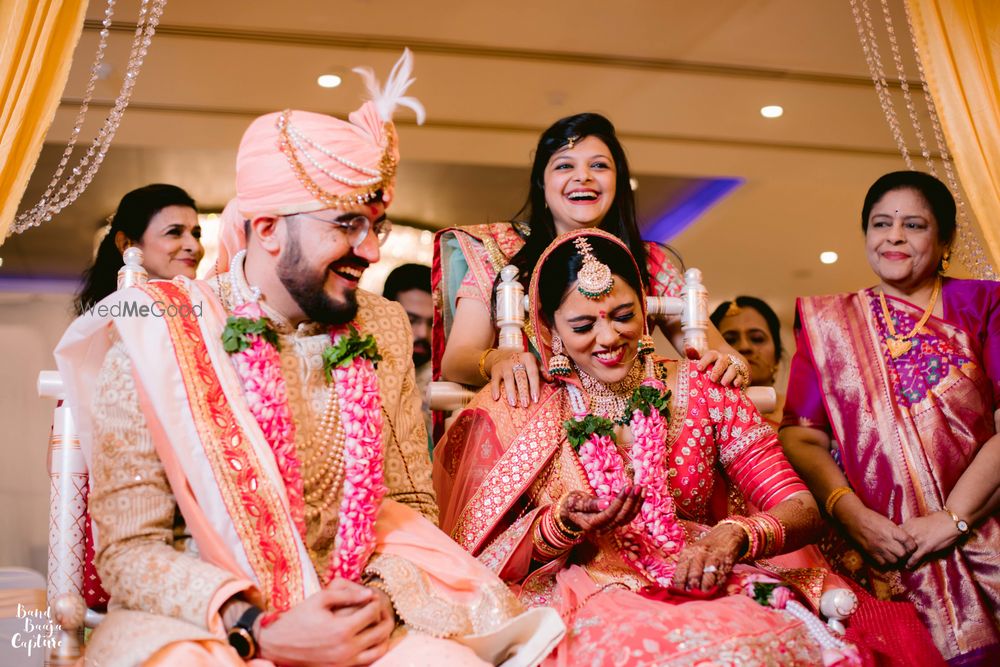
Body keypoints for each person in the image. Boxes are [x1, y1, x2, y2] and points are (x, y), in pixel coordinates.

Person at [54, 51, 561, 666]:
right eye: (347, 224)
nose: (370, 250)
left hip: (352, 604)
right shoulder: (161, 329)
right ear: (268, 228)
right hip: (209, 621)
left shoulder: (381, 325)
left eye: (377, 224)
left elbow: (410, 503)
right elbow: (130, 551)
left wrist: (380, 595)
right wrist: (258, 627)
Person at [434, 229, 864, 666]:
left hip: (707, 576)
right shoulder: (526, 406)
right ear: (550, 328)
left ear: (645, 307)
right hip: (585, 592)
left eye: (623, 315)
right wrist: (561, 524)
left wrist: (737, 533)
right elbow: (479, 559)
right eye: (583, 325)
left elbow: (800, 507)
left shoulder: (703, 388)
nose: (608, 338)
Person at [780, 171, 1000, 664]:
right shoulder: (829, 323)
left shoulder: (984, 304)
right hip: (881, 555)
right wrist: (852, 516)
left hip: (987, 541)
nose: (894, 235)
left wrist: (952, 519)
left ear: (944, 240)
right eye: (881, 223)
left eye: (914, 224)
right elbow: (800, 436)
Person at [433, 113, 747, 415]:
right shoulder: (500, 252)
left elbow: (720, 355)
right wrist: (496, 360)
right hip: (527, 426)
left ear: (618, 183)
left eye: (599, 165)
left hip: (630, 431)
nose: (583, 176)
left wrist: (730, 366)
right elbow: (457, 359)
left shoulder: (649, 260)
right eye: (564, 165)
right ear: (542, 185)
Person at [74, 183, 203, 315]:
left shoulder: (205, 309)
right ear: (126, 244)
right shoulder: (110, 321)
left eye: (196, 235)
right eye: (174, 232)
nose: (195, 246)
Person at [711, 295, 786, 425]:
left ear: (777, 356)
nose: (744, 347)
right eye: (729, 340)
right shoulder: (703, 413)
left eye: (757, 338)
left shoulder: (802, 413)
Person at [382, 263, 434, 446]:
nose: (422, 333)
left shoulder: (444, 381)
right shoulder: (362, 374)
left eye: (431, 324)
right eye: (410, 320)